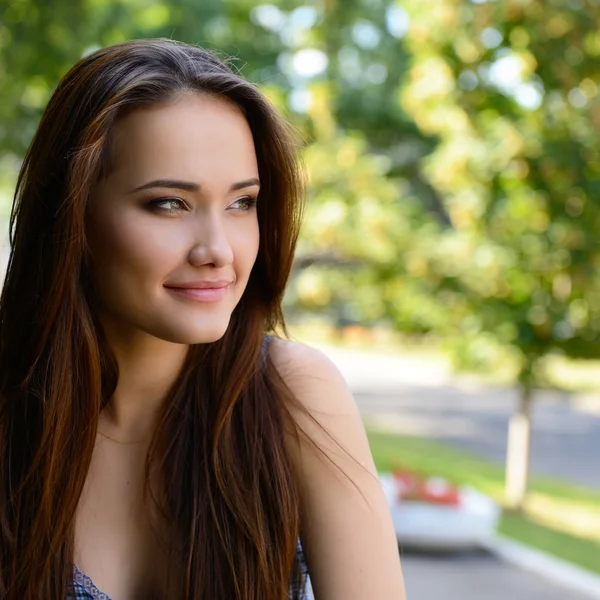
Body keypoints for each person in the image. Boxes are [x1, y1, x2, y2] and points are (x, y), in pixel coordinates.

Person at [0, 39, 406, 600]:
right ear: (75, 215)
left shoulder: (293, 395)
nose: (218, 249)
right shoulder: (13, 410)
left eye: (241, 203)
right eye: (169, 203)